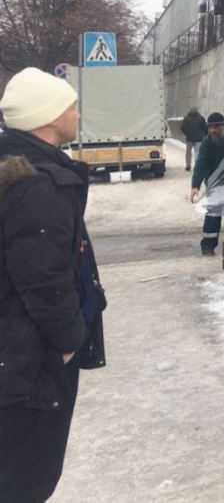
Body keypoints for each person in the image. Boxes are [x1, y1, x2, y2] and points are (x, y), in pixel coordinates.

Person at [0, 67, 107, 503]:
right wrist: (68, 340)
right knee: (28, 475)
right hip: (32, 358)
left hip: (19, 354)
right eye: (70, 106)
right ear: (48, 117)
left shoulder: (21, 170)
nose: (77, 115)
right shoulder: (37, 184)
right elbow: (44, 281)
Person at [189, 112, 224, 256]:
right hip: (214, 185)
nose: (213, 131)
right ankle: (208, 246)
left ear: (223, 126)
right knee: (212, 217)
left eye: (216, 127)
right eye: (210, 128)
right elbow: (200, 164)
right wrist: (195, 186)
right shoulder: (207, 143)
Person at [179, 107, 207, 172]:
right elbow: (205, 128)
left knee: (188, 153)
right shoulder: (201, 118)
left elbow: (182, 127)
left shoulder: (186, 118)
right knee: (197, 152)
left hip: (189, 138)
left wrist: (187, 133)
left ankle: (188, 166)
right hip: (199, 139)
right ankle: (197, 166)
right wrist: (205, 135)